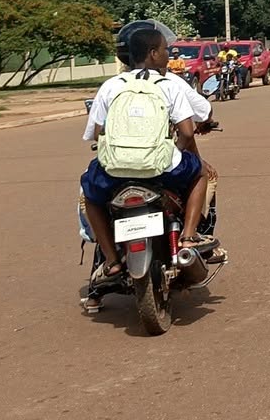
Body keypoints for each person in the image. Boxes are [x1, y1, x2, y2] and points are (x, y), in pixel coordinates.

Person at [80, 19, 217, 283]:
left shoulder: (111, 86)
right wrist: (170, 153)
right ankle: (188, 237)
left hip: (116, 171)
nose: (170, 55)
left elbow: (96, 134)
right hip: (160, 169)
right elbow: (187, 133)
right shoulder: (168, 85)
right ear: (153, 54)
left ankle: (110, 260)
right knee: (199, 173)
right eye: (166, 49)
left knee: (89, 192)